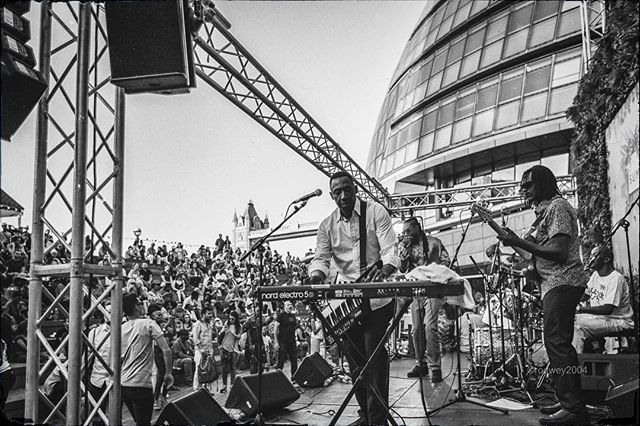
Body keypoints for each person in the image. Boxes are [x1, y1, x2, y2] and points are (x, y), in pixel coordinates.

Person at [497, 165, 589, 425]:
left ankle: (574, 409)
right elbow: (535, 254)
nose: (523, 189)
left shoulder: (558, 206)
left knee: (558, 344)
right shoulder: (545, 212)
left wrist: (521, 241)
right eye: (522, 185)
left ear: (544, 183)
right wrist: (516, 244)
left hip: (563, 281)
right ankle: (568, 400)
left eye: (529, 184)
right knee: (557, 344)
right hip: (553, 284)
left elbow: (559, 251)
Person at [308, 171, 399, 425]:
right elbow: (321, 258)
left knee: (376, 361)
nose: (343, 195)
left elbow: (391, 249)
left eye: (347, 189)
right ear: (331, 195)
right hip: (347, 303)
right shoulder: (327, 225)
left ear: (355, 187)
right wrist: (316, 276)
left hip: (377, 300)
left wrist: (385, 270)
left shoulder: (375, 212)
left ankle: (377, 420)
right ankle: (367, 415)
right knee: (356, 364)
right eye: (337, 192)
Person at [399, 217, 450, 383]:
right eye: (403, 232)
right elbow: (403, 269)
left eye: (408, 231)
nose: (405, 235)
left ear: (417, 229)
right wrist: (404, 255)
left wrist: (436, 274)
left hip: (434, 289)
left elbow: (446, 261)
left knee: (430, 327)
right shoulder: (407, 247)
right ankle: (421, 364)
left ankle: (435, 367)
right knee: (416, 330)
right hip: (417, 291)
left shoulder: (434, 242)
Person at [121, 294, 173, 426]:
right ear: (136, 308)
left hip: (124, 384)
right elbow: (166, 350)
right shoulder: (149, 323)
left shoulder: (121, 328)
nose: (142, 306)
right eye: (140, 303)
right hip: (141, 384)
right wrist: (168, 373)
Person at [572, 246, 634, 353]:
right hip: (600, 318)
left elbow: (607, 309)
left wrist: (579, 309)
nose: (591, 258)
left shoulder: (616, 279)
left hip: (618, 320)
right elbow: (585, 295)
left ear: (606, 259)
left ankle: (576, 363)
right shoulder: (596, 275)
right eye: (591, 255)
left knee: (577, 327)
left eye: (595, 255)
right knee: (568, 320)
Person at [147, 304, 169, 410]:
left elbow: (172, 333)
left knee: (167, 374)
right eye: (157, 314)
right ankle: (156, 398)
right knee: (160, 375)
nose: (160, 316)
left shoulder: (162, 324)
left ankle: (163, 396)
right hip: (156, 351)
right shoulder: (150, 324)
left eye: (160, 314)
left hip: (165, 350)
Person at [191, 306, 215, 392]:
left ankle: (206, 389)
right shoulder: (198, 323)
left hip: (209, 349)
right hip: (199, 350)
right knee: (199, 368)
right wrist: (201, 349)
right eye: (208, 313)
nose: (210, 315)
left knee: (208, 369)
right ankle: (196, 388)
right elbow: (195, 338)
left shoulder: (210, 324)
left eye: (211, 313)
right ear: (203, 314)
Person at [273, 301, 299, 379]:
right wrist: (276, 342)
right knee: (281, 360)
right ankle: (277, 378)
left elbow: (294, 329)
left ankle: (294, 378)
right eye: (288, 305)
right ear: (284, 307)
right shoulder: (281, 315)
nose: (290, 306)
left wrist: (296, 339)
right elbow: (275, 329)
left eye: (291, 304)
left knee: (294, 360)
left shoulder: (293, 316)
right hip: (283, 341)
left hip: (292, 342)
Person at [219, 311, 241, 393]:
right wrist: (224, 331)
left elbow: (239, 337)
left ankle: (232, 384)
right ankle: (224, 385)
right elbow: (221, 334)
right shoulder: (226, 324)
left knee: (233, 367)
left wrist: (232, 333)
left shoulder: (238, 327)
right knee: (224, 368)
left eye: (233, 319)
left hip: (233, 348)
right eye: (230, 318)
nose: (231, 320)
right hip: (225, 347)